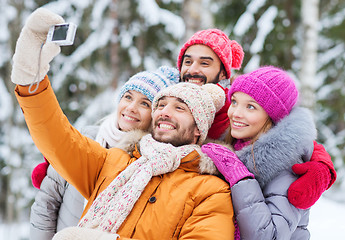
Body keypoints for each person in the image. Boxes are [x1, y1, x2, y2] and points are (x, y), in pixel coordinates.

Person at [12, 8, 236, 239]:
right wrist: (31, 79)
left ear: (200, 127)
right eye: (160, 105)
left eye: (179, 108)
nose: (165, 113)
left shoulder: (211, 191)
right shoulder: (113, 162)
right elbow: (56, 138)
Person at [177, 28, 336, 209]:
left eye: (204, 63)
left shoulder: (233, 105)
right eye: (187, 61)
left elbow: (290, 133)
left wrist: (324, 168)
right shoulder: (165, 99)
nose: (192, 69)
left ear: (223, 73)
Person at [29, 65, 179, 239]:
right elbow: (47, 202)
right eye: (128, 97)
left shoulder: (150, 162)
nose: (131, 107)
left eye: (145, 103)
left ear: (155, 115)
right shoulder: (86, 138)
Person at [202, 66, 333, 239]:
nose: (236, 114)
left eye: (250, 107)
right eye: (234, 102)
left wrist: (240, 177)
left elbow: (270, 236)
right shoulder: (235, 144)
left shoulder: (287, 167)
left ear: (272, 116)